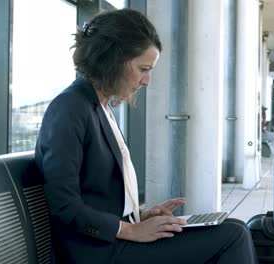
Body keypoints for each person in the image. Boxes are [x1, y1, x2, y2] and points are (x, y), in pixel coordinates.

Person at [35, 9, 257, 264]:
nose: (147, 81)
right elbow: (63, 205)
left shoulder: (99, 106)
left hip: (114, 242)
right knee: (232, 236)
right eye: (143, 69)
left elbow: (97, 195)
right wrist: (130, 229)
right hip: (96, 252)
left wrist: (139, 217)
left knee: (236, 227)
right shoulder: (70, 108)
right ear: (114, 60)